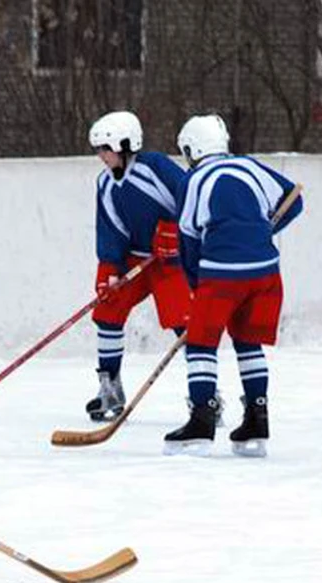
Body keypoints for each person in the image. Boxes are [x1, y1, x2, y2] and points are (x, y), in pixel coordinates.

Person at [164, 113, 303, 458]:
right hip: (266, 271)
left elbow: (188, 237)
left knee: (200, 343)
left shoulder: (194, 180)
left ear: (192, 148)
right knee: (247, 340)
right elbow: (294, 201)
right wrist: (259, 232)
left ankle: (201, 419)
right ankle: (257, 419)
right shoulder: (250, 166)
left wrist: (197, 284)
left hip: (221, 271)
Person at [85, 110, 221, 423]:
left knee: (184, 324)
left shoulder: (155, 167)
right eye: (98, 150)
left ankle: (206, 398)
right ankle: (110, 388)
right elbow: (110, 228)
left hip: (171, 260)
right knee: (108, 310)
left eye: (106, 149)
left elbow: (191, 197)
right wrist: (110, 270)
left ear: (126, 144)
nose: (101, 156)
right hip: (136, 259)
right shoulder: (104, 184)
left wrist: (175, 231)